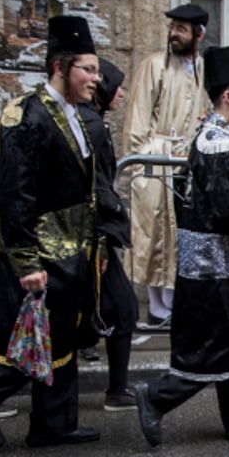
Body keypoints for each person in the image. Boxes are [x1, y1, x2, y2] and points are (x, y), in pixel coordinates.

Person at [0, 15, 103, 450]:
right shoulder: (27, 115)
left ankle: (53, 425)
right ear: (60, 66)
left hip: (75, 252)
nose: (95, 78)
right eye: (87, 69)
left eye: (95, 69)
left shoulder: (77, 115)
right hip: (42, 254)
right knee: (29, 340)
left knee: (61, 339)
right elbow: (13, 194)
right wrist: (26, 261)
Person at [133, 46, 229, 446]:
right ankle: (156, 398)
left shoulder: (223, 135)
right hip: (213, 265)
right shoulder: (217, 140)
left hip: (220, 262)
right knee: (214, 346)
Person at [123, 3, 210, 328]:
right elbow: (137, 121)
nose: (174, 34)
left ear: (199, 35)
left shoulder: (203, 69)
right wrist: (146, 161)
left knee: (181, 236)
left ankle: (177, 307)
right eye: (172, 28)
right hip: (157, 161)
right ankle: (159, 309)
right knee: (154, 233)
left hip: (189, 166)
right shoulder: (154, 66)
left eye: (182, 29)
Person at [78, 58, 139, 411]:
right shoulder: (92, 126)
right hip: (92, 237)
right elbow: (96, 188)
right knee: (124, 308)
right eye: (116, 85)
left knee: (114, 308)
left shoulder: (90, 122)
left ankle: (117, 389)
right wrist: (103, 239)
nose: (121, 93)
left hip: (92, 235)